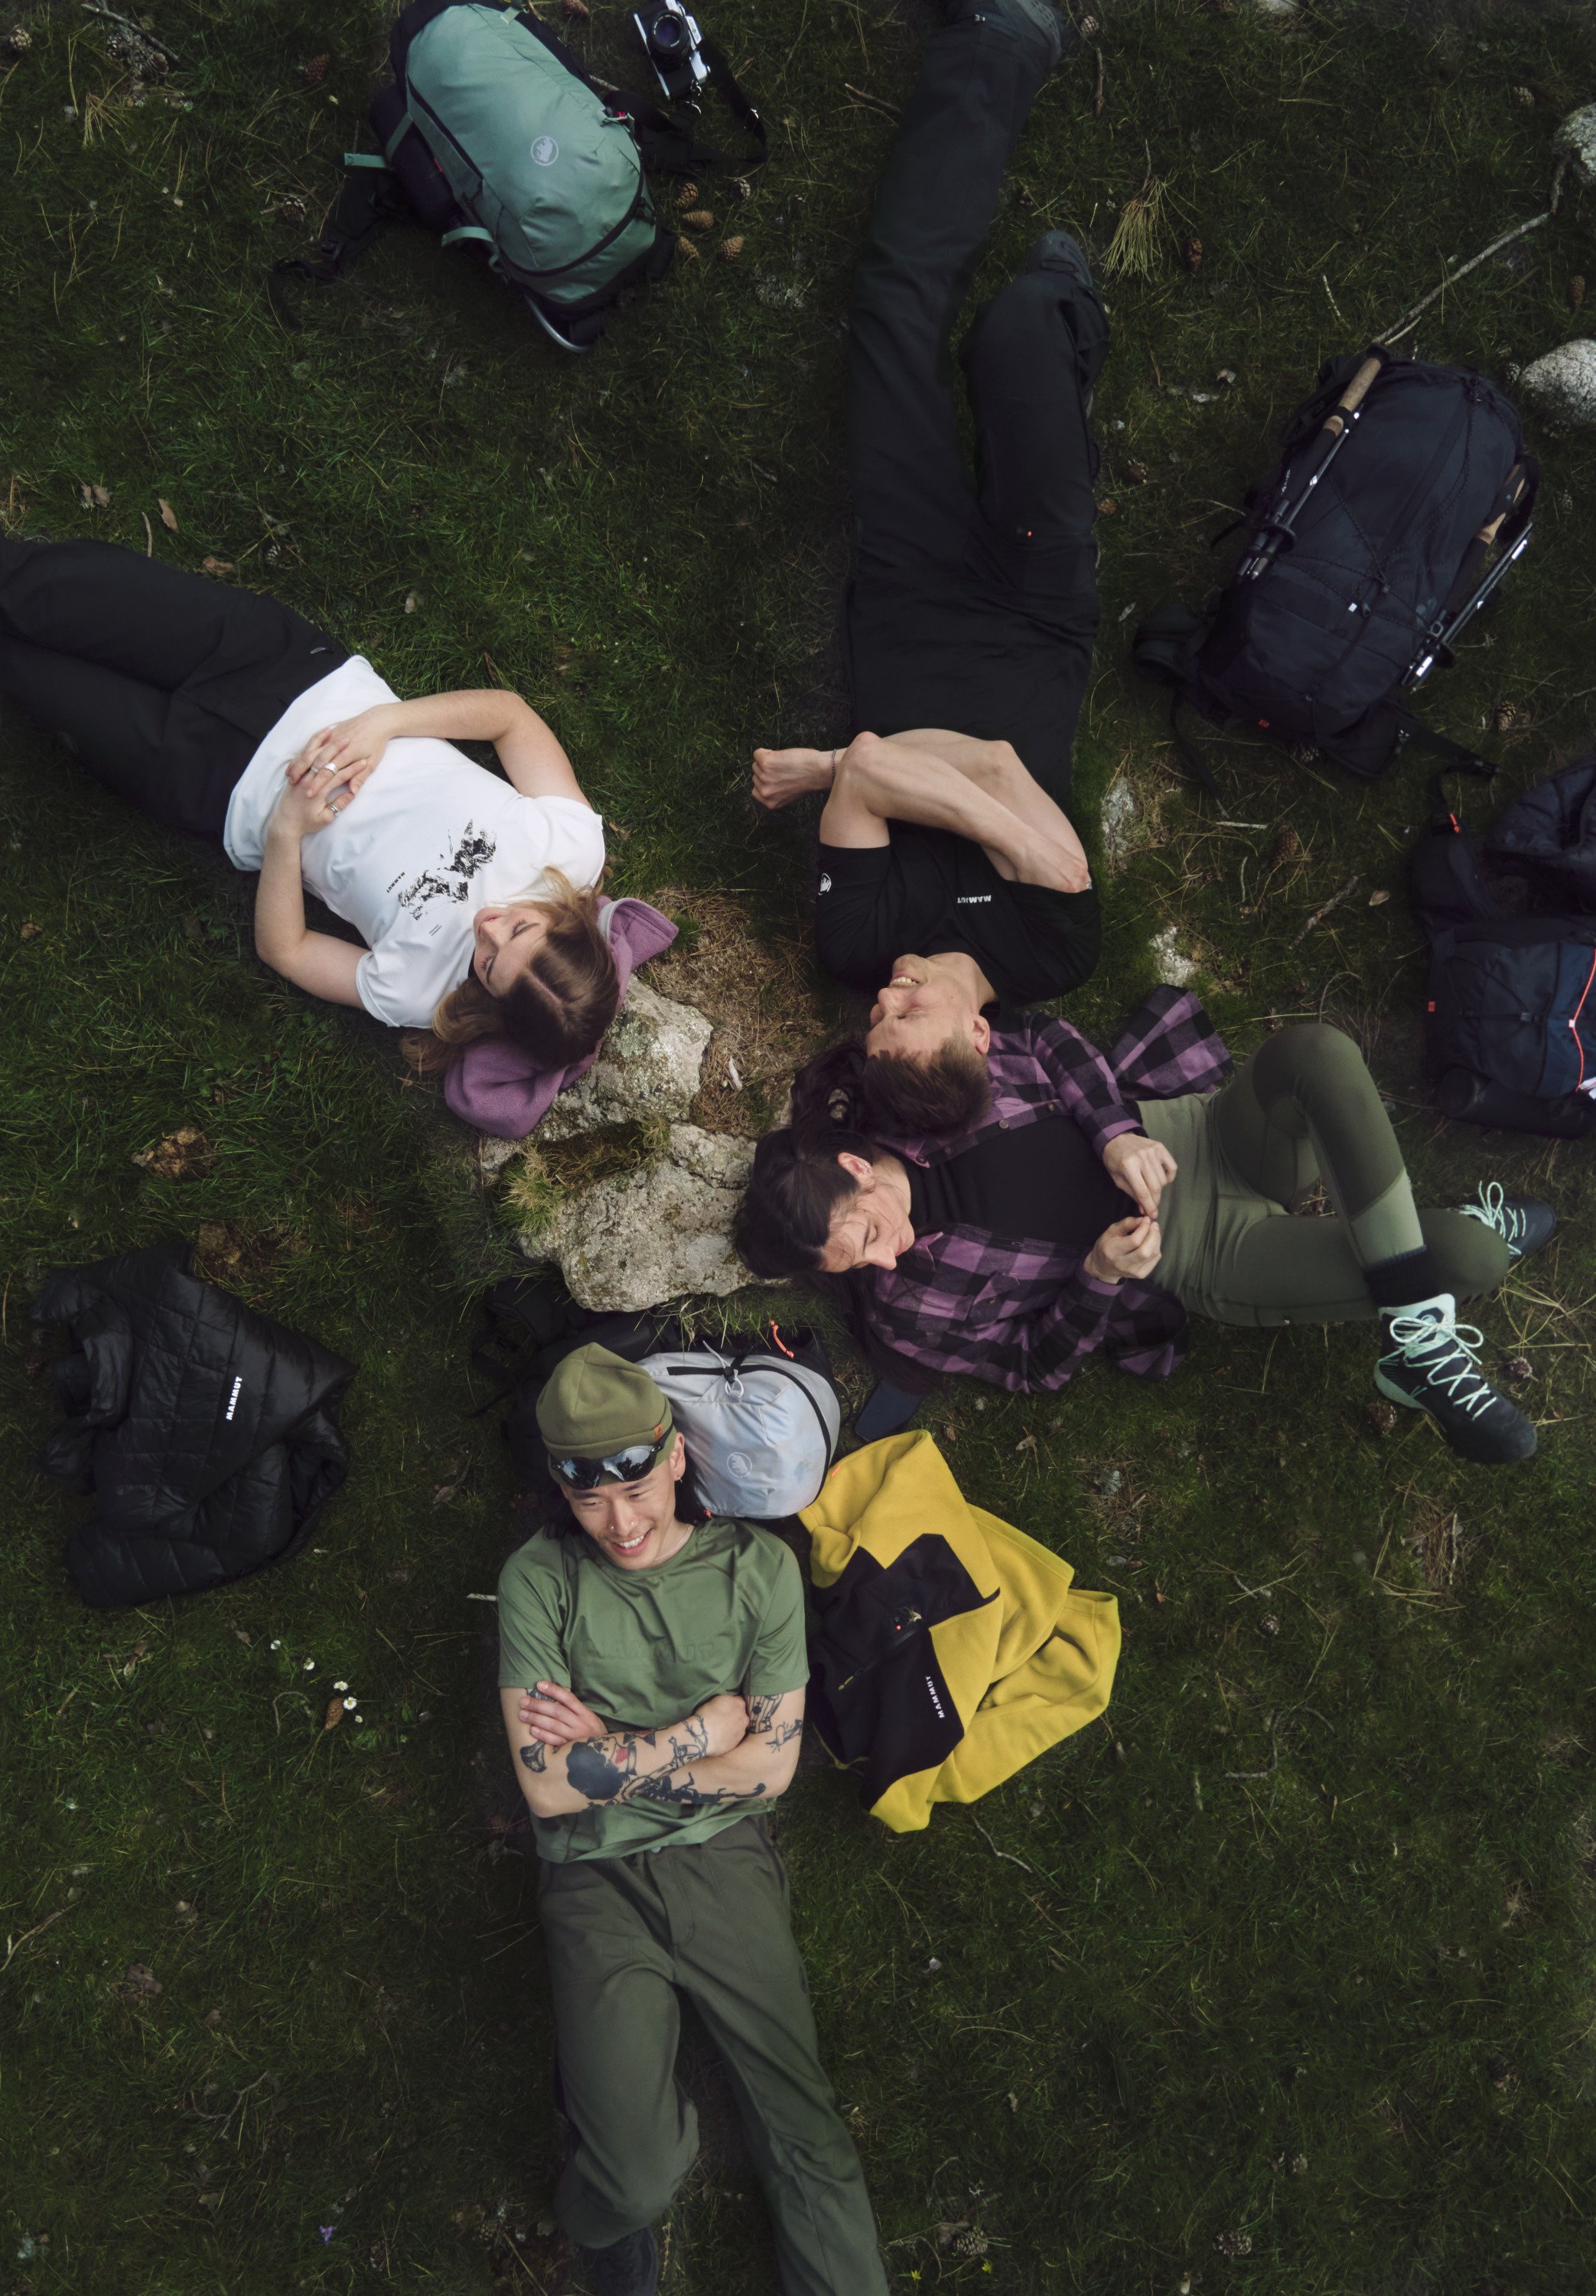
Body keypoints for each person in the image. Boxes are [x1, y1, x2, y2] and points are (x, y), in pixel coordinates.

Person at [0, 489, 617, 1072]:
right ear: (568, 921)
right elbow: (510, 717)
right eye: (519, 928)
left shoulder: (423, 995)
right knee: (10, 585)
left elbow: (287, 951)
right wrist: (386, 722)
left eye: (490, 965)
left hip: (210, 780)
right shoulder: (570, 849)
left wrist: (287, 831)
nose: (488, 928)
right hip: (279, 668)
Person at [750, 0, 1106, 1134]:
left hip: (904, 594)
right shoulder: (1054, 952)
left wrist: (881, 777)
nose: (887, 993)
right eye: (909, 1015)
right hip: (1036, 608)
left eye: (874, 1018)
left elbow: (880, 776)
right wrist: (855, 770)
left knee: (892, 310)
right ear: (980, 1038)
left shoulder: (854, 942)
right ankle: (1063, 314)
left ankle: (1001, 38)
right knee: (1016, 328)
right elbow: (987, 762)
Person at [735, 997, 1555, 1467]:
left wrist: (1115, 1133)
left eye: (869, 1234)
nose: (885, 1261)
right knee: (1472, 1256)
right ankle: (1418, 1335)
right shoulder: (906, 1308)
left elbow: (1040, 1038)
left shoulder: (910, 1095)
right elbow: (1030, 1368)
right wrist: (1098, 1277)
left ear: (856, 1165)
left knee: (1317, 1051)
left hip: (1199, 1133)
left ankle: (1414, 1338)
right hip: (1209, 1253)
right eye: (854, 1266)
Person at [496, 1345, 887, 2296]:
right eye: (590, 1501)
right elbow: (547, 1790)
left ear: (675, 1456)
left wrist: (609, 1754)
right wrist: (695, 1736)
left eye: (636, 1489)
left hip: (724, 1862)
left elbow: (771, 1770)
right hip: (593, 1877)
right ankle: (598, 2214)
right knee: (634, 2177)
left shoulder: (759, 1571)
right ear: (562, 1488)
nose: (621, 1524)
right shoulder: (539, 1580)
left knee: (805, 2130)